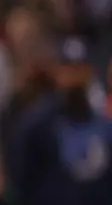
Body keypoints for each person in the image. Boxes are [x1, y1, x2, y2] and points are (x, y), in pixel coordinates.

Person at [9, 36, 112, 205]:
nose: (73, 79)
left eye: (79, 70)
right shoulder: (37, 126)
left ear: (89, 73)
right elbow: (22, 180)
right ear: (56, 73)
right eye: (68, 70)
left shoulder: (104, 124)